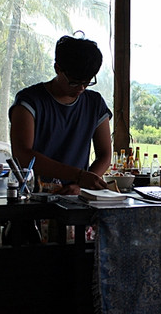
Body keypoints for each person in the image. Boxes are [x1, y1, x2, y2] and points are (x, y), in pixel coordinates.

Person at [9, 34, 111, 195]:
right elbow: (23, 155)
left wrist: (82, 185)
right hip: (34, 197)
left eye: (87, 82)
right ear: (57, 68)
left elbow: (104, 154)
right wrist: (79, 176)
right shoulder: (29, 102)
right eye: (74, 82)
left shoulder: (95, 103)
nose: (81, 88)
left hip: (75, 197)